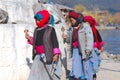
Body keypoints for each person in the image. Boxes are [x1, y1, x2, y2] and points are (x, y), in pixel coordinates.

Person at [24, 10, 61, 80]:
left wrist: (56, 54)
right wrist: (29, 38)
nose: (37, 21)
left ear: (44, 20)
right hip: (37, 56)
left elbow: (55, 42)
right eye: (36, 20)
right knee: (35, 73)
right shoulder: (36, 30)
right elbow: (36, 42)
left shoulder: (50, 30)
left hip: (47, 55)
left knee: (47, 74)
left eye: (39, 20)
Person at [62, 11, 94, 80]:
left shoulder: (85, 26)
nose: (72, 22)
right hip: (75, 50)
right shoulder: (71, 28)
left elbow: (89, 38)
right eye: (71, 20)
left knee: (86, 66)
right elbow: (69, 40)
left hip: (84, 50)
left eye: (72, 20)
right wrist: (65, 37)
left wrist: (88, 49)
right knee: (76, 65)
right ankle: (77, 77)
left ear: (77, 19)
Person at [84, 16, 105, 80]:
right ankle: (90, 75)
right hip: (86, 49)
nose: (86, 24)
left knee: (95, 62)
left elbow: (99, 38)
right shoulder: (83, 30)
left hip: (95, 49)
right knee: (88, 63)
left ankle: (93, 75)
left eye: (87, 22)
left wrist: (101, 47)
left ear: (90, 22)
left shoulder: (94, 30)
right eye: (85, 22)